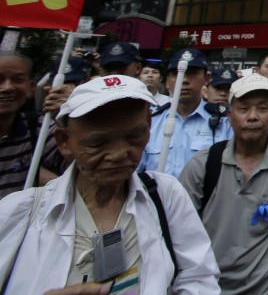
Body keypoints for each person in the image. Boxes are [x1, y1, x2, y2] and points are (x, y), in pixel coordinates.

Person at [0, 75, 219, 293]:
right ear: (64, 141)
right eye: (98, 143)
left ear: (149, 125)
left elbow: (199, 277)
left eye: (134, 136)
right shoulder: (19, 212)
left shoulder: (165, 194)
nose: (118, 154)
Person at [180, 74, 268, 295]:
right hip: (207, 286)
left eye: (262, 108)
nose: (252, 117)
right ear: (230, 116)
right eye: (243, 109)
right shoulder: (203, 163)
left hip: (263, 287)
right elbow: (180, 233)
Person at [140, 49, 233, 177]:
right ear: (167, 82)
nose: (184, 80)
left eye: (193, 73)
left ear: (206, 79)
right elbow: (137, 170)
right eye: (177, 73)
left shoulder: (224, 122)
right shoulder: (152, 121)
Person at [0, 52, 66, 199]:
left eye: (18, 80)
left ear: (30, 87)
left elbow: (83, 163)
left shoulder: (39, 128)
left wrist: (71, 115)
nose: (7, 87)